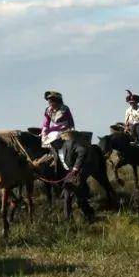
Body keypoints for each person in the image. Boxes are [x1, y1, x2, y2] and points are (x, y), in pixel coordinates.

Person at [39, 91, 94, 221]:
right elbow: (46, 122)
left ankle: (84, 212)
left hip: (63, 129)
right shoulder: (48, 110)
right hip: (52, 131)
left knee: (55, 137)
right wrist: (45, 129)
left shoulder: (65, 109)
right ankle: (52, 157)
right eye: (49, 100)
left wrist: (66, 130)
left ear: (57, 100)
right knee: (45, 137)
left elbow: (69, 121)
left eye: (52, 100)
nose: (50, 102)